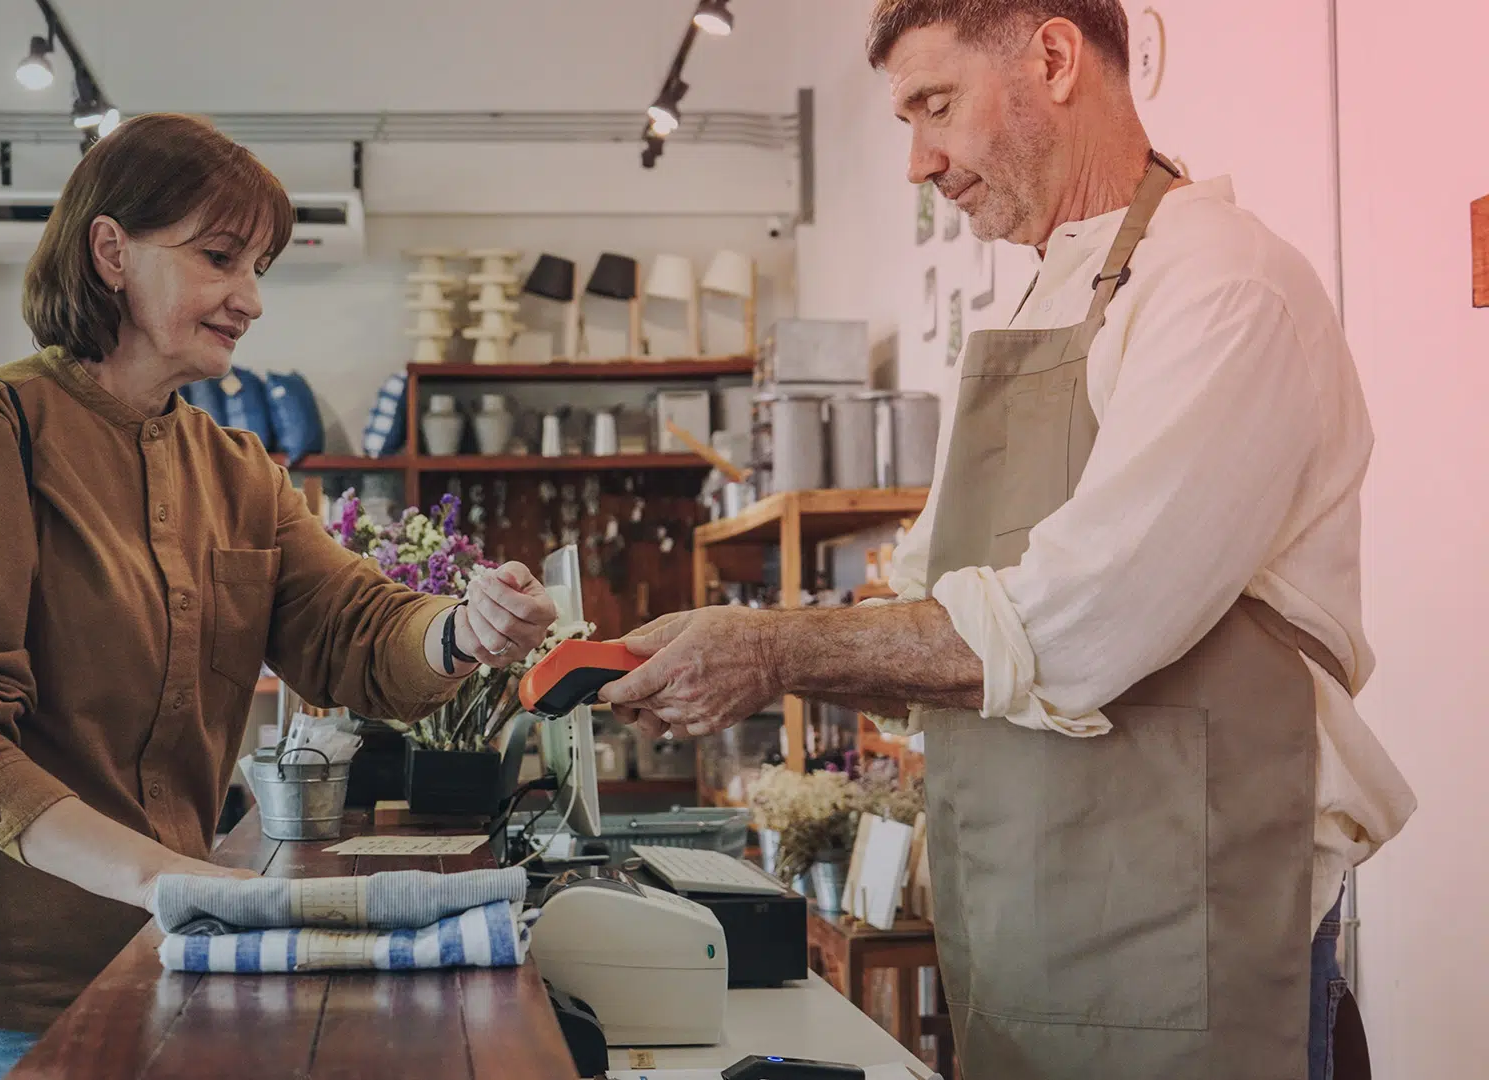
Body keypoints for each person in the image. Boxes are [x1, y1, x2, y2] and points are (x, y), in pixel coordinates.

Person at [599, 4, 1414, 1078]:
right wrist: (747, 652)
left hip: (1199, 928)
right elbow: (931, 594)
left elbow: (1076, 621)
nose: (918, 162)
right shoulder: (1040, 299)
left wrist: (768, 649)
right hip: (1038, 922)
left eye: (936, 106)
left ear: (1055, 58)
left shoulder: (1225, 286)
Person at [0, 112, 558, 1080]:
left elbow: (352, 629)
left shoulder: (238, 471)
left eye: (258, 266)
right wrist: (167, 876)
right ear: (111, 251)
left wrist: (464, 629)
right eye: (220, 257)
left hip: (174, 960)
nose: (251, 298)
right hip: (2, 1005)